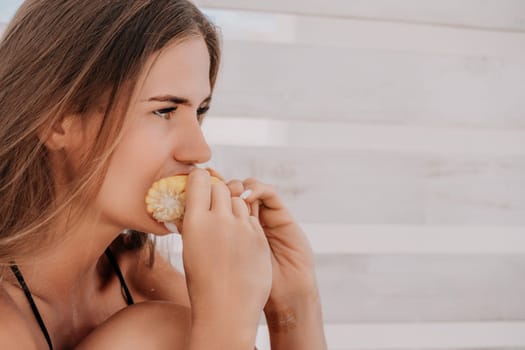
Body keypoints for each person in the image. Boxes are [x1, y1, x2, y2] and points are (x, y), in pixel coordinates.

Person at [0, 0, 328, 349]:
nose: (200, 151)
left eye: (199, 111)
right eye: (164, 111)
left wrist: (293, 303)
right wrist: (224, 322)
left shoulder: (143, 277)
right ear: (56, 121)